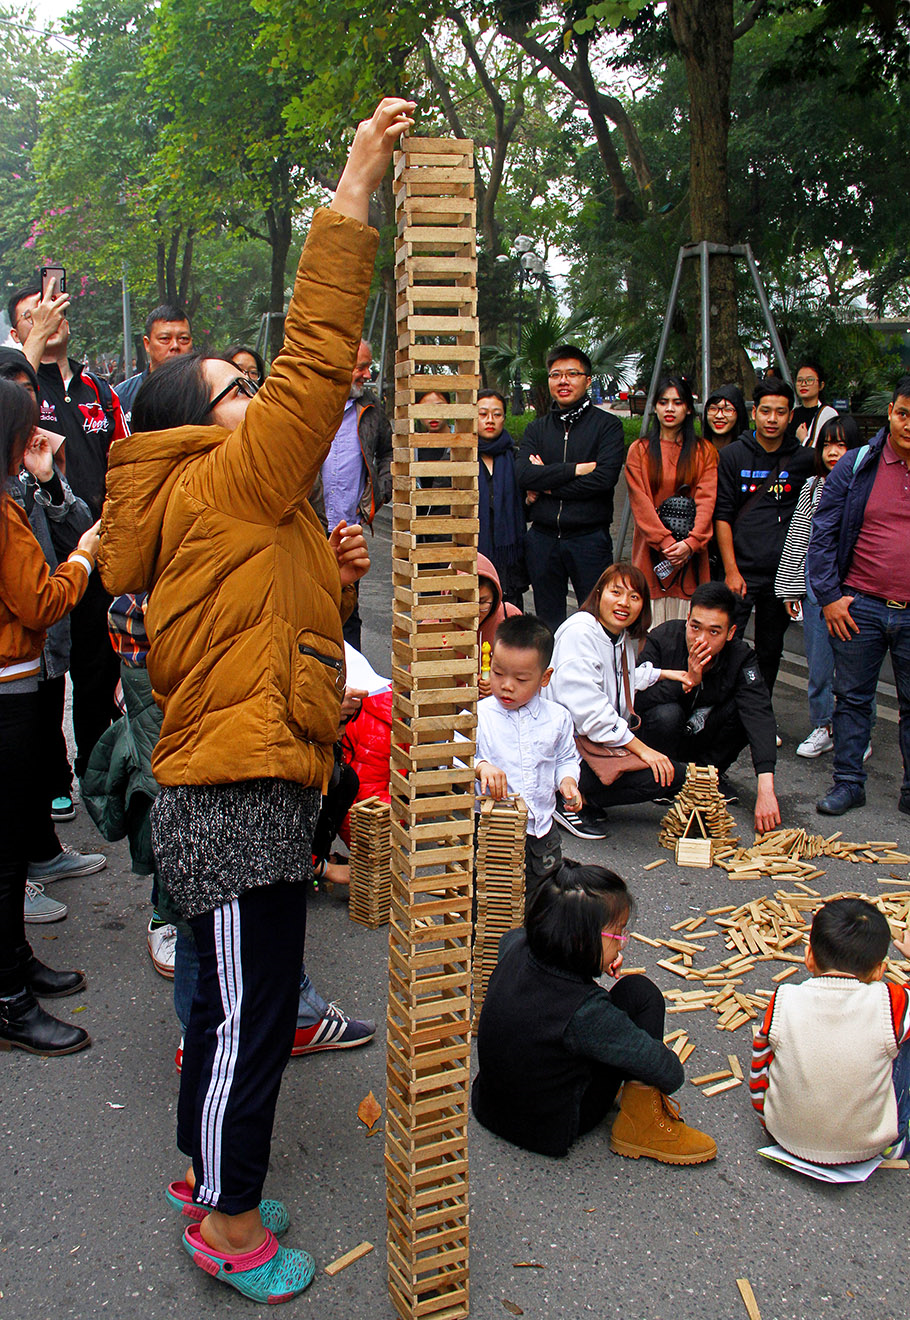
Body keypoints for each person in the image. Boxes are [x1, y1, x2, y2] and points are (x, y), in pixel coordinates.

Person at [97, 96, 414, 1304]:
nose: (255, 397)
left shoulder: (235, 506)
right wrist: (356, 180)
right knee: (247, 1012)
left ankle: (206, 1176)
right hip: (232, 794)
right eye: (234, 387)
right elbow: (321, 353)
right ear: (196, 426)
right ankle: (226, 1223)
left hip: (254, 772)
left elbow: (260, 642)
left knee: (241, 1001)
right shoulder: (225, 480)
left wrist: (323, 595)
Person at [472, 861, 717, 1163]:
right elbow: (668, 1073)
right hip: (548, 1127)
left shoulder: (518, 945)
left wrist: (591, 962)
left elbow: (514, 938)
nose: (623, 943)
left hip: (490, 1105)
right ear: (579, 942)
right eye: (618, 936)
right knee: (641, 994)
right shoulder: (586, 1012)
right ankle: (640, 1126)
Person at [0, 376, 101, 1055]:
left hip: (18, 682)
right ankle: (9, 998)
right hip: (8, 686)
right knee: (6, 851)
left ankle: (15, 968)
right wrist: (84, 561)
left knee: (10, 845)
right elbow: (36, 600)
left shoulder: (15, 494)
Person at [8, 279, 127, 782]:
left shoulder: (98, 388)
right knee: (46, 672)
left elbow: (126, 460)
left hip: (93, 542)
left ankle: (95, 772)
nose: (50, 318)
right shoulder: (20, 390)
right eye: (35, 314)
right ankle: (53, 780)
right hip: (39, 556)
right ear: (18, 333)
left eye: (55, 310)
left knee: (99, 668)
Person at [808, 377, 910, 817]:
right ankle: (849, 783)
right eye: (904, 413)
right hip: (859, 606)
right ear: (890, 411)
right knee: (852, 699)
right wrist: (829, 597)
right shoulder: (857, 464)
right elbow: (823, 534)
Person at [750, 897, 910, 1164]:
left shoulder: (783, 998)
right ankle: (894, 1138)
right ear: (879, 971)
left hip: (784, 1138)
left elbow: (760, 1066)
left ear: (809, 957)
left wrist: (769, 1122)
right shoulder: (892, 1002)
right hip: (868, 1147)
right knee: (901, 1035)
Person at [547, 563, 688, 838]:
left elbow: (621, 678)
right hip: (564, 752)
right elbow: (591, 712)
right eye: (616, 592)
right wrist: (643, 750)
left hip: (597, 744)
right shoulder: (580, 632)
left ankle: (588, 797)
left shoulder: (618, 637)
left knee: (671, 770)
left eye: (634, 597)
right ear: (599, 593)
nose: (624, 603)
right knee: (666, 773)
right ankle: (564, 798)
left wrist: (666, 674)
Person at [635, 582, 782, 833]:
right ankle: (665, 781)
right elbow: (635, 702)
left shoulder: (741, 656)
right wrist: (686, 683)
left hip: (704, 738)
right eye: (695, 628)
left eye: (714, 632)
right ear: (687, 620)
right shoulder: (662, 638)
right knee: (666, 713)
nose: (701, 640)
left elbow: (759, 714)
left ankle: (707, 776)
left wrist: (766, 788)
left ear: (731, 632)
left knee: (745, 709)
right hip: (662, 744)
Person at [713, 377, 816, 704]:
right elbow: (723, 516)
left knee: (771, 650)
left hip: (781, 576)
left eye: (781, 412)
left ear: (790, 416)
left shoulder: (803, 459)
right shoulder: (732, 456)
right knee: (727, 644)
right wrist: (731, 570)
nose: (773, 419)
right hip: (740, 571)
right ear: (755, 412)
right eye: (766, 411)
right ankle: (723, 711)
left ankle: (759, 711)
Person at [515, 345, 624, 631]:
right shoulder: (536, 430)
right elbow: (524, 474)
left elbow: (603, 480)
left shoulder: (608, 427)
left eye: (572, 374)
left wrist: (547, 483)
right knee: (547, 625)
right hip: (542, 539)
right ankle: (551, 676)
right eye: (556, 375)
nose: (563, 381)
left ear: (588, 381)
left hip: (589, 539)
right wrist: (573, 471)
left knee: (597, 624)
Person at [774, 416, 862, 760]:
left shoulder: (865, 484)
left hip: (855, 590)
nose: (833, 452)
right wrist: (791, 588)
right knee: (820, 665)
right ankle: (824, 725)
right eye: (827, 444)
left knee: (855, 669)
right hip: (815, 587)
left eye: (841, 445)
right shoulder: (812, 486)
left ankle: (857, 731)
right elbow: (799, 538)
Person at [474, 614, 582, 891]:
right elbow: (451, 759)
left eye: (521, 678)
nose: (507, 685)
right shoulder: (478, 715)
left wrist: (567, 781)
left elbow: (566, 758)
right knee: (489, 900)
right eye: (498, 674)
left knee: (544, 896)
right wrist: (481, 766)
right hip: (490, 829)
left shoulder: (557, 717)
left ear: (545, 678)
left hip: (541, 831)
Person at [315, 337, 392, 648]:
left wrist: (380, 492)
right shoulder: (311, 407)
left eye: (368, 367)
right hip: (310, 528)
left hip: (350, 530)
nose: (366, 374)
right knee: (311, 607)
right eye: (360, 367)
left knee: (350, 612)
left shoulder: (372, 409)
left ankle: (352, 683)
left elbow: (388, 451)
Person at [624, 374, 718, 624]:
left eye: (677, 402)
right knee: (650, 636)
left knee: (688, 633)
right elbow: (641, 503)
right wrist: (665, 542)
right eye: (663, 402)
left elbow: (706, 501)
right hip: (651, 554)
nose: (670, 409)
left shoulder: (703, 451)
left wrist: (691, 543)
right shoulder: (640, 451)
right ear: (654, 406)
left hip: (691, 556)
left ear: (688, 408)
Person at [477, 389, 527, 609]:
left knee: (509, 621)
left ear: (504, 419)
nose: (490, 420)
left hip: (508, 561)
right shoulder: (458, 457)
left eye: (497, 414)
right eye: (483, 414)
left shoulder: (516, 457)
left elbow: (527, 503)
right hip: (472, 554)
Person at [114, 304, 194, 427]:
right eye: (165, 339)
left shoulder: (207, 391)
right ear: (147, 344)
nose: (175, 346)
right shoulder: (123, 396)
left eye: (183, 339)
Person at [477, 553, 521, 696]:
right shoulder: (435, 625)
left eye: (482, 602)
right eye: (463, 602)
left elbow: (529, 670)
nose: (474, 611)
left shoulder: (510, 617)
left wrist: (499, 683)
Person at [787, 359, 838, 448]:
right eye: (799, 380)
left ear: (821, 385)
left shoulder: (828, 414)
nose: (803, 384)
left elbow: (828, 449)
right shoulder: (792, 413)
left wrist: (804, 440)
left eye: (809, 380)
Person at [700, 384, 748, 454]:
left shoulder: (747, 453)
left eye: (728, 410)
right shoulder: (695, 451)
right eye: (713, 409)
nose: (719, 416)